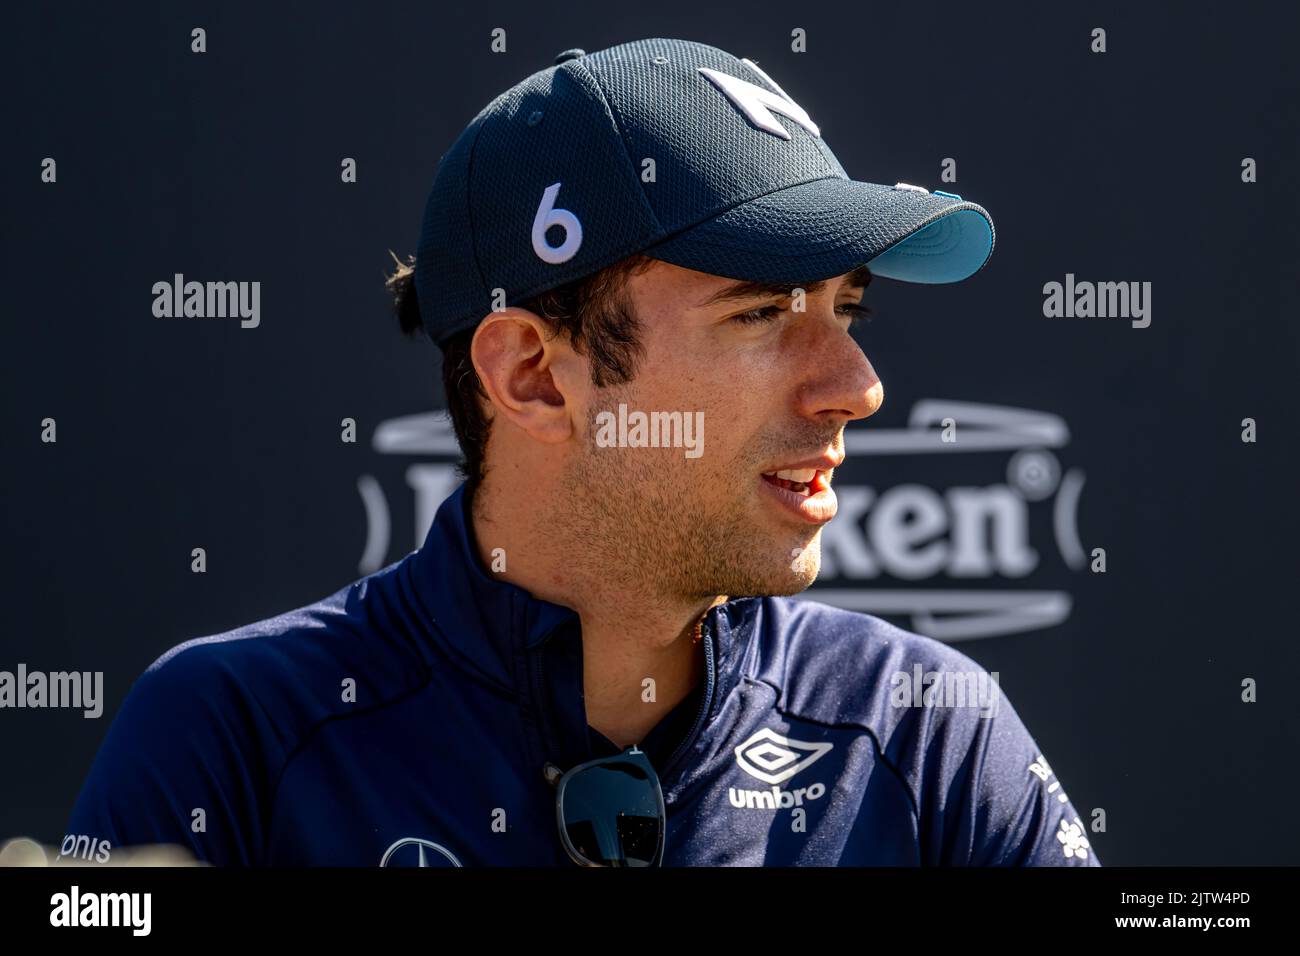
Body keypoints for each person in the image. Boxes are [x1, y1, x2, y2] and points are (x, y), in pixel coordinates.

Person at [65, 37, 1098, 866]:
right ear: (531, 375)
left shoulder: (925, 731)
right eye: (760, 314)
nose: (857, 386)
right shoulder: (232, 730)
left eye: (847, 309)